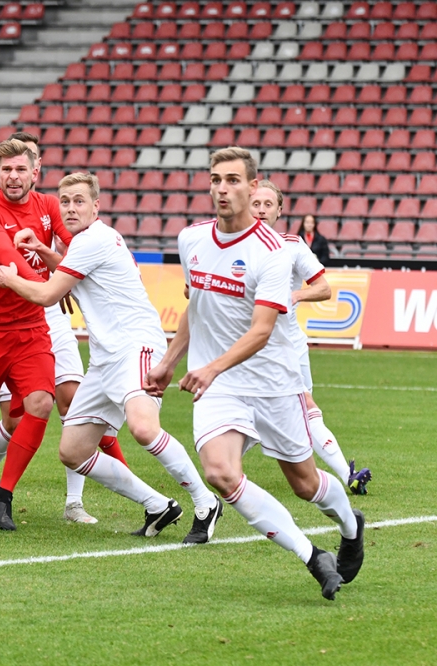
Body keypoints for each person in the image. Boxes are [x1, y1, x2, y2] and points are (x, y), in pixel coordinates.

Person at [145, 148, 364, 600]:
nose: (221, 189)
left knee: (304, 485)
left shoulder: (275, 251)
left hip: (270, 383)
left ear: (252, 185)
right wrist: (169, 362)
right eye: (215, 180)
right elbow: (196, 306)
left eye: (231, 180)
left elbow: (262, 330)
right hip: (221, 386)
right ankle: (312, 556)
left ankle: (349, 525)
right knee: (221, 473)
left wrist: (208, 367)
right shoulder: (191, 239)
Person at [0, 172, 223, 543]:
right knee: (73, 451)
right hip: (105, 358)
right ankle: (157, 505)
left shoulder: (92, 240)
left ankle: (204, 502)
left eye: (79, 201)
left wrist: (10, 278)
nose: (71, 208)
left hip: (136, 345)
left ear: (95, 206)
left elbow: (46, 295)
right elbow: (75, 273)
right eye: (65, 201)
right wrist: (44, 250)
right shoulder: (89, 241)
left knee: (144, 428)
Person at [0, 139, 126, 525]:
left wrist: (73, 276)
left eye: (20, 169)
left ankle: (4, 495)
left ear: (36, 172)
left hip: (32, 326)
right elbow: (6, 256)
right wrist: (55, 287)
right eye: (6, 170)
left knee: (43, 405)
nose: (13, 177)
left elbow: (79, 245)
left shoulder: (50, 206)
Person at [252, 182, 371, 494]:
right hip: (248, 347)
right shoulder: (231, 246)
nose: (262, 210)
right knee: (269, 412)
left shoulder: (291, 246)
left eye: (268, 204)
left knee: (303, 411)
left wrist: (294, 295)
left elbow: (324, 288)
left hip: (288, 345)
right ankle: (347, 474)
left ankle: (346, 474)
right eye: (256, 203)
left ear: (279, 211)